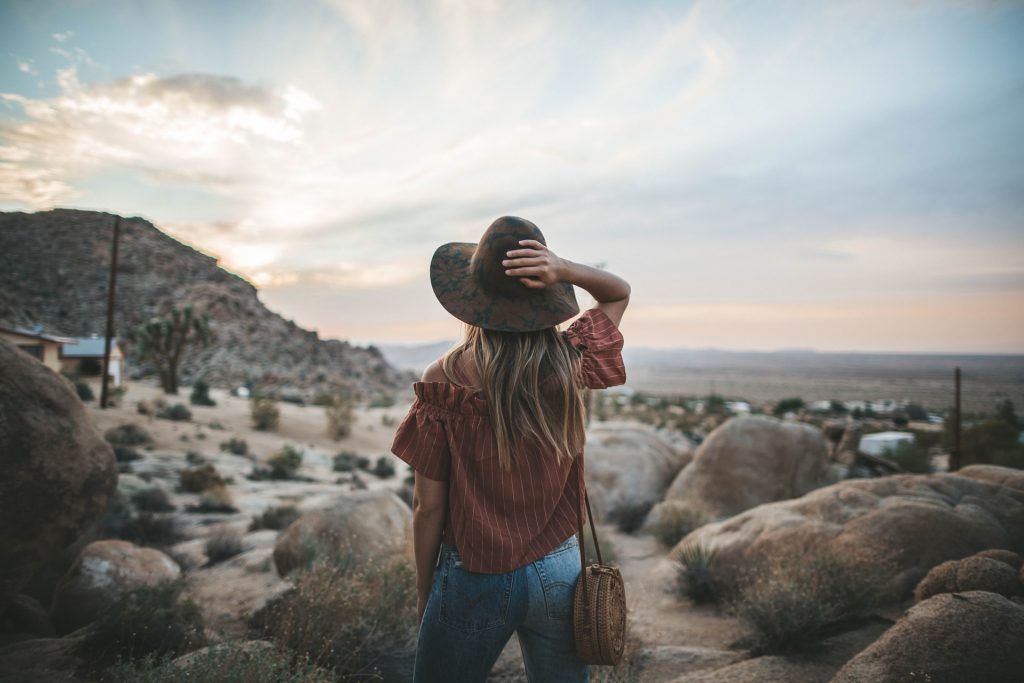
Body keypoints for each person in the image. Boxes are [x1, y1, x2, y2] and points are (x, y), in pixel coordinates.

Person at [391, 215, 630, 682]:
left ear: (471, 302)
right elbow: (617, 291)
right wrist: (564, 268)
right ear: (545, 296)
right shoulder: (568, 361)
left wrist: (426, 590)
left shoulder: (446, 378)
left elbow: (427, 506)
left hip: (475, 574)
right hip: (560, 568)